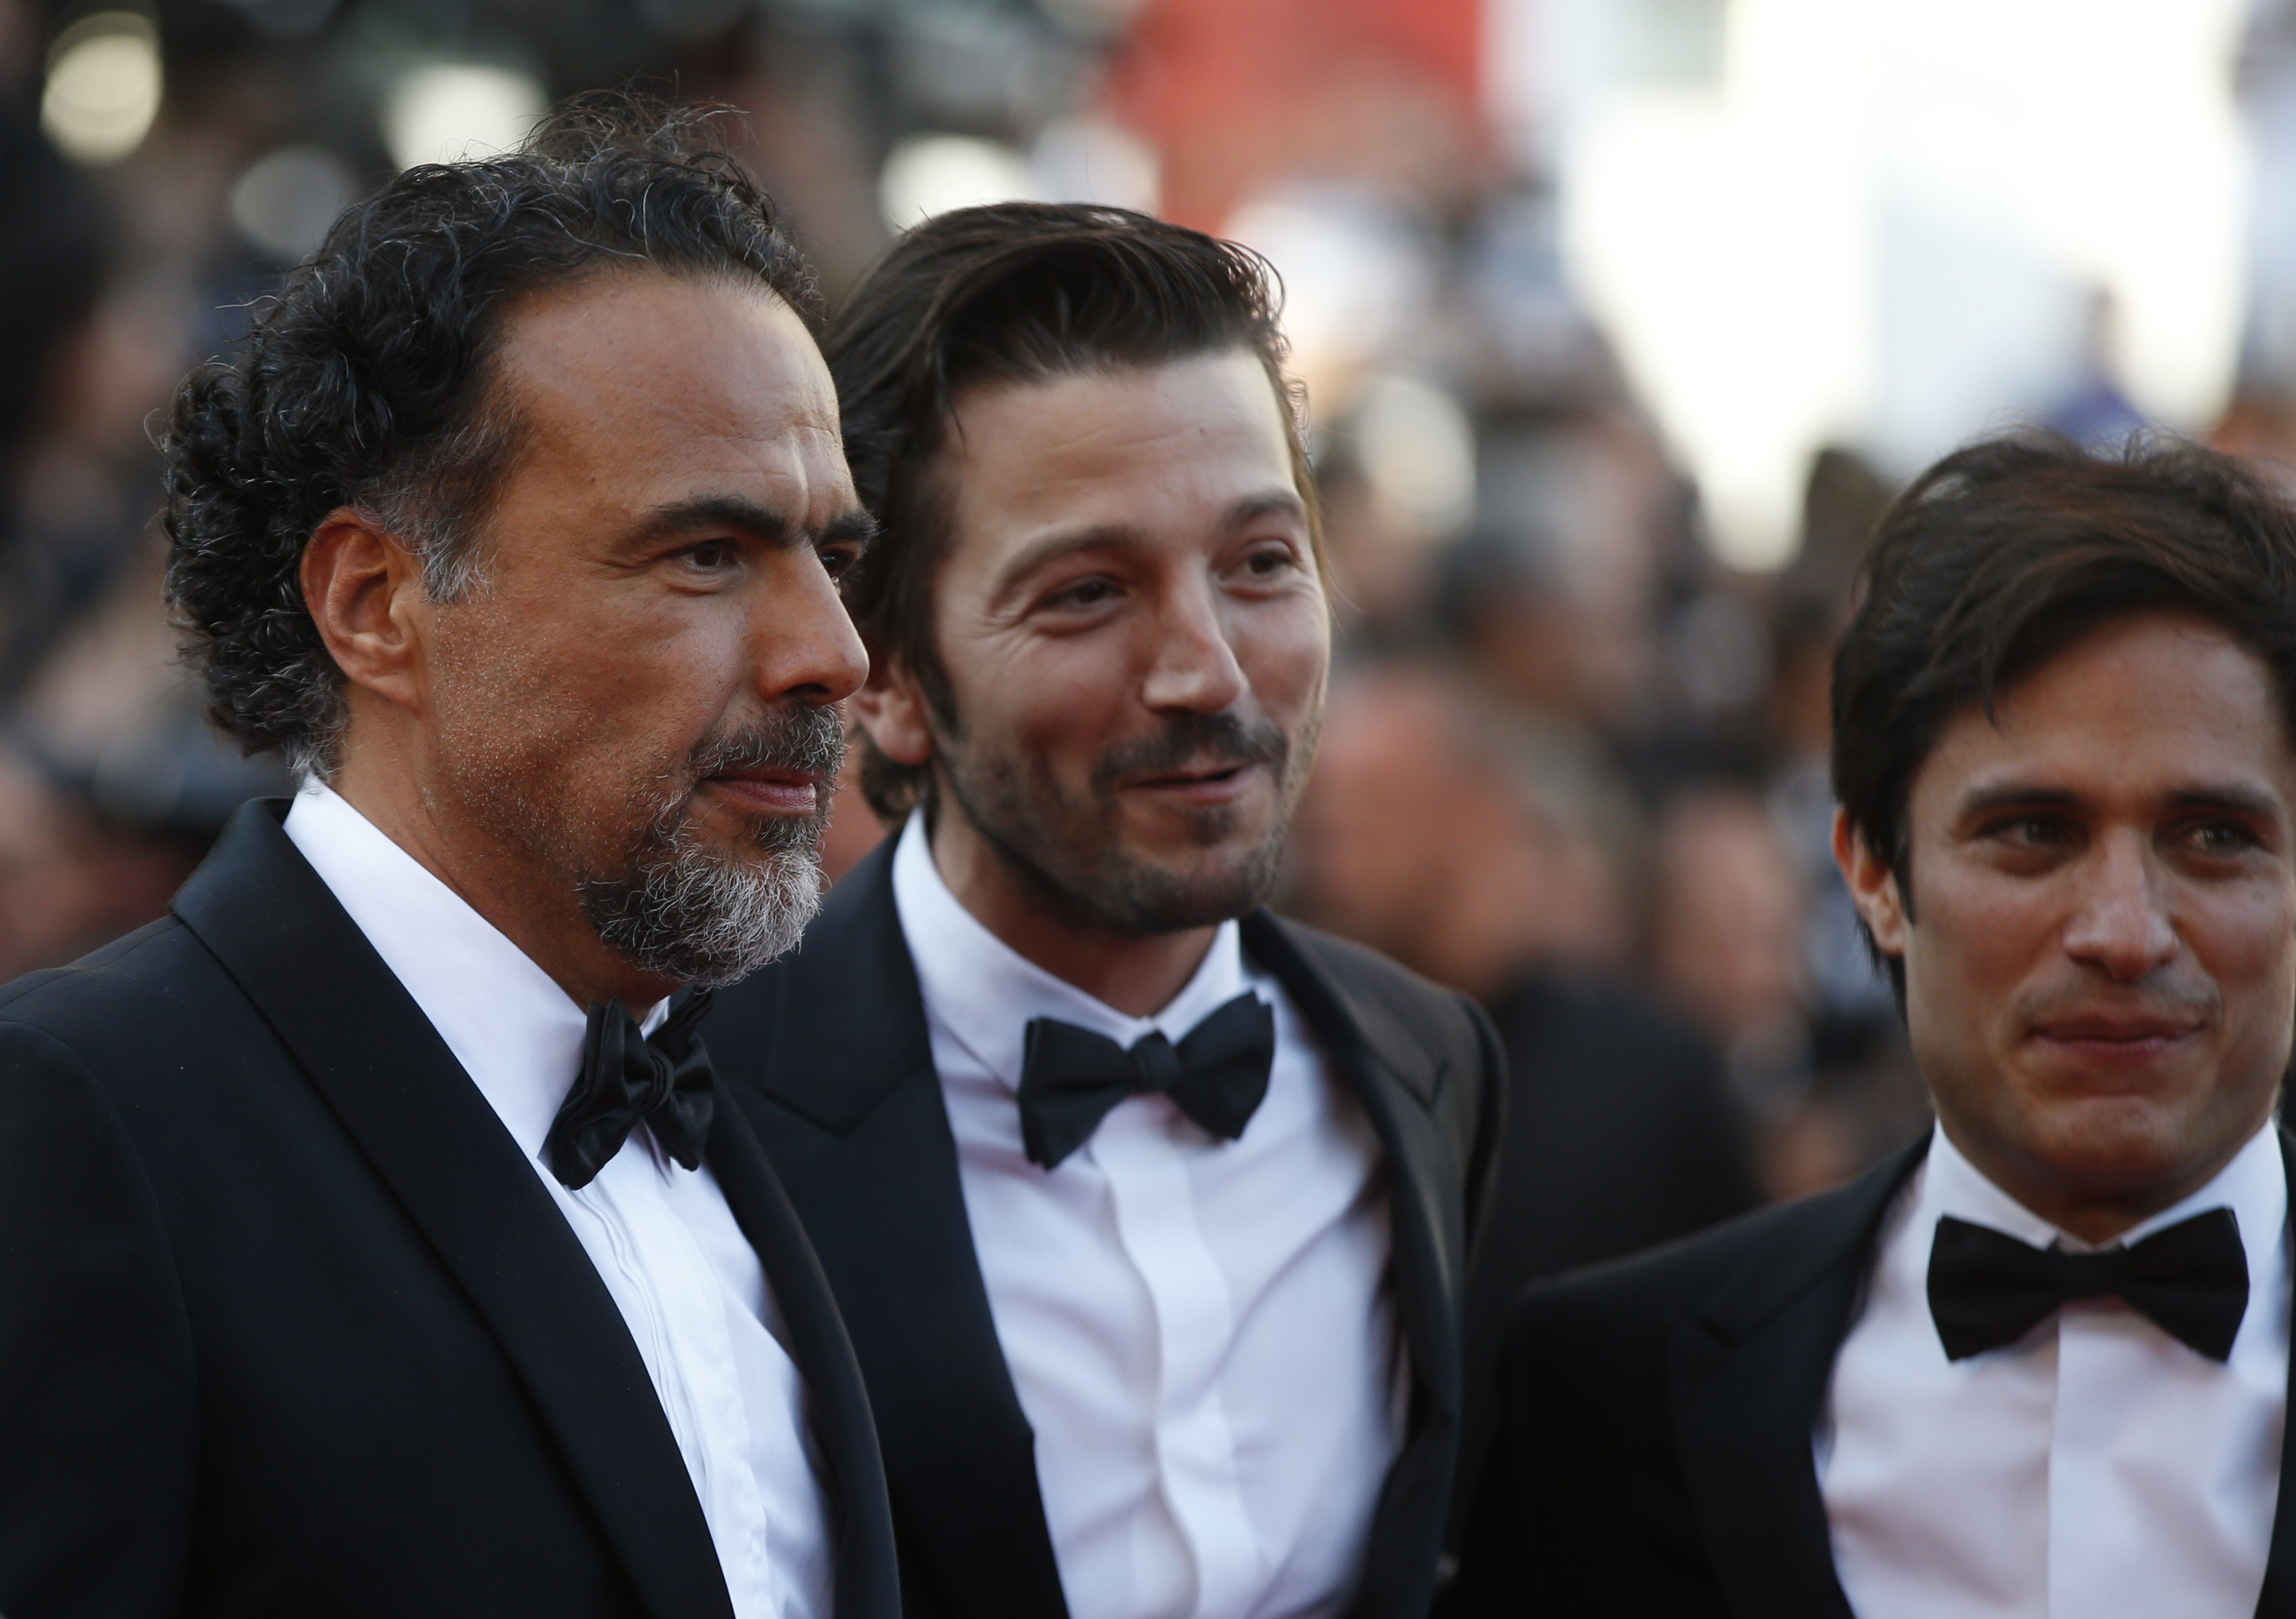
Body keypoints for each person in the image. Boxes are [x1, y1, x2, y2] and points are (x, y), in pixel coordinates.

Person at [0, 101, 898, 1619]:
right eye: (702, 553)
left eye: (835, 557)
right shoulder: (78, 1128)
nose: (832, 652)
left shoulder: (766, 1106)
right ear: (374, 601)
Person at [703, 203, 1506, 1619]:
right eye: (1086, 593)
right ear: (883, 673)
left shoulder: (1427, 1062)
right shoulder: (703, 1124)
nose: (1207, 670)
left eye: (1260, 562)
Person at [1450, 432, 2296, 1618]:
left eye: (2212, 836)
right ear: (1874, 875)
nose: (2124, 930)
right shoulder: (1605, 1394)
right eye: (2032, 833)